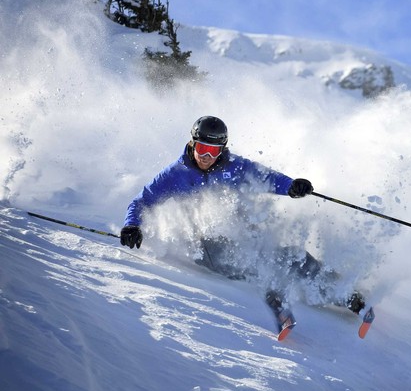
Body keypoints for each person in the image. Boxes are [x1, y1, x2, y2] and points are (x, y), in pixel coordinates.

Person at [120, 116, 365, 322]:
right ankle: (270, 284)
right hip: (204, 244)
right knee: (229, 253)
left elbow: (266, 178)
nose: (206, 156)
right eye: (201, 148)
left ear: (222, 149)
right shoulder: (176, 174)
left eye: (213, 150)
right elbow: (142, 200)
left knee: (290, 256)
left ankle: (344, 294)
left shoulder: (234, 167)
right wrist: (132, 224)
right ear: (192, 144)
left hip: (240, 232)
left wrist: (291, 186)